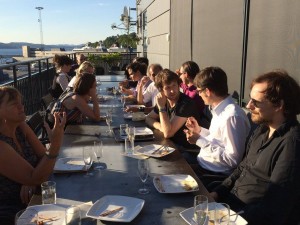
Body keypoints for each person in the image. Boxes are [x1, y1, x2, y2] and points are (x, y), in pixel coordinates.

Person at [210, 70, 300, 225]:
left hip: (245, 216)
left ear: (279, 105)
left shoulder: (292, 143)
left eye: (256, 102)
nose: (249, 105)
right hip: (230, 204)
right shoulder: (262, 129)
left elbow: (275, 207)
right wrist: (217, 193)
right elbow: (242, 168)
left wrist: (230, 220)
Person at [0, 86, 66, 225]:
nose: (21, 106)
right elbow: (38, 173)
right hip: (13, 213)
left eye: (20, 102)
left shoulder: (20, 126)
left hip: (35, 199)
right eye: (14, 104)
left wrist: (29, 180)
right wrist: (55, 144)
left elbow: (43, 157)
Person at [184, 66, 250, 176]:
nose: (198, 95)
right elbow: (217, 140)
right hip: (204, 166)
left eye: (199, 91)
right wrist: (199, 131)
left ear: (208, 91)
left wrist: (199, 140)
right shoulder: (220, 110)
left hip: (212, 174)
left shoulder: (231, 116)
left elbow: (232, 160)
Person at [145, 69, 202, 149]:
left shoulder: (186, 104)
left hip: (187, 151)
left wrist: (161, 108)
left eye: (174, 85)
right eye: (167, 88)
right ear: (161, 90)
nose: (172, 91)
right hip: (171, 145)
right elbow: (148, 118)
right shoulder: (163, 100)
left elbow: (168, 133)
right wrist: (161, 127)